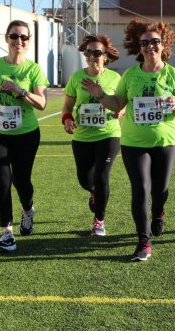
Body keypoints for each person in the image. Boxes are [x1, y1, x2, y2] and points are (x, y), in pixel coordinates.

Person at [82, 19, 175, 261]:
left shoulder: (173, 75)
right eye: (144, 43)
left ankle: (159, 212)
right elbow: (117, 104)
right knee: (140, 190)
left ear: (163, 44)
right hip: (134, 143)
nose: (150, 46)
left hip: (165, 141)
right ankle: (143, 241)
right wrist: (100, 95)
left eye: (155, 41)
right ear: (138, 47)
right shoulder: (130, 76)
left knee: (160, 189)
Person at [0, 20, 49, 252]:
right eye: (14, 36)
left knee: (21, 181)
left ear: (29, 42)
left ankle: (28, 210)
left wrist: (20, 91)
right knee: (2, 182)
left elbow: (42, 104)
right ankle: (7, 232)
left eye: (24, 37)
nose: (19, 41)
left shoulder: (33, 70)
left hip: (25, 134)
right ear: (6, 39)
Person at [62, 34, 122, 236]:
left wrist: (120, 111)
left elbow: (122, 105)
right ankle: (94, 192)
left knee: (102, 175)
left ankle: (99, 221)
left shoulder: (114, 78)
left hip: (108, 134)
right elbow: (68, 106)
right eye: (89, 52)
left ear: (106, 56)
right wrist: (67, 119)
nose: (92, 56)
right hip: (82, 136)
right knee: (85, 180)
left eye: (97, 52)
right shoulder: (77, 78)